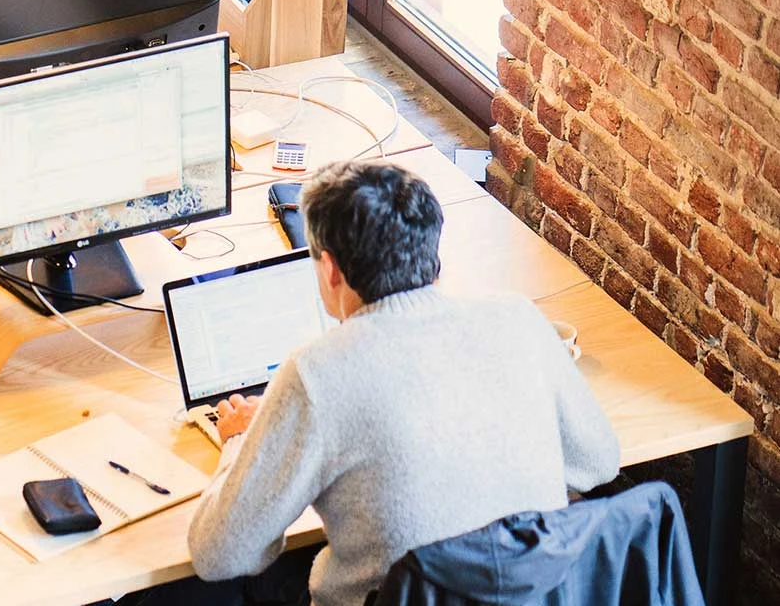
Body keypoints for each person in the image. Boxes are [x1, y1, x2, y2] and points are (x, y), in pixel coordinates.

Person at [165, 161, 621, 606]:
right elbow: (598, 462)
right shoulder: (517, 318)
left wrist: (242, 440)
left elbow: (221, 554)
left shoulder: (318, 372)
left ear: (331, 270)